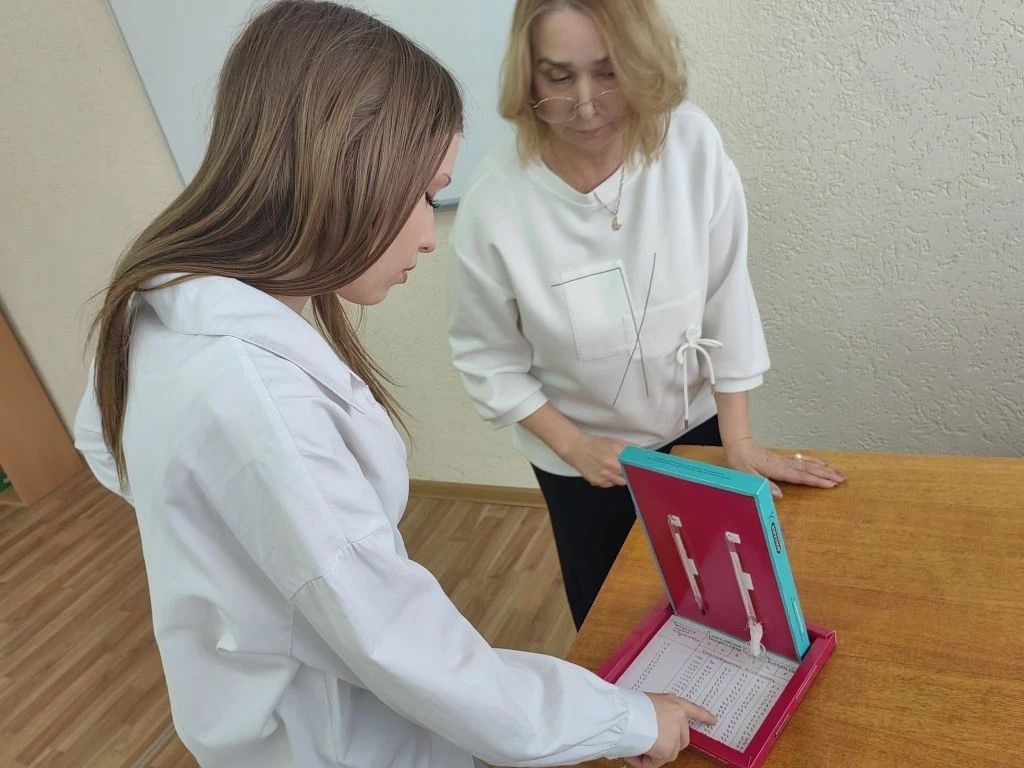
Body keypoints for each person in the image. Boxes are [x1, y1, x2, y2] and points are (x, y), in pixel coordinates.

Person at [73, 2, 715, 767]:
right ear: (343, 167)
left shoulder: (160, 305)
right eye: (422, 195)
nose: (426, 234)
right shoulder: (259, 402)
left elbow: (108, 450)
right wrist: (626, 720)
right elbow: (405, 648)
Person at [448, 0, 846, 631]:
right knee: (613, 620)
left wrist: (739, 439)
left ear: (642, 61)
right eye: (559, 77)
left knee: (724, 602)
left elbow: (726, 295)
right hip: (581, 461)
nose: (585, 105)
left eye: (608, 73)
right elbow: (487, 359)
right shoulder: (497, 200)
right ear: (527, 73)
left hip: (696, 431)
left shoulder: (689, 145)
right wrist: (576, 447)